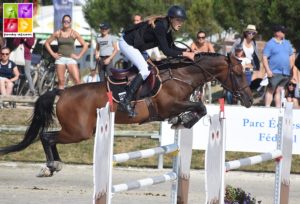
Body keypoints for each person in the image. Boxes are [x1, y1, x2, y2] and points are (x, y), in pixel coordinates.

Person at [119, 5, 195, 117]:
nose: (181, 23)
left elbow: (172, 47)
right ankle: (125, 101)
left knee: (152, 68)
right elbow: (167, 52)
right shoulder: (160, 27)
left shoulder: (167, 27)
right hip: (127, 44)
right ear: (171, 18)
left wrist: (188, 50)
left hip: (136, 45)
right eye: (178, 20)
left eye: (182, 20)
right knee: (144, 70)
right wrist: (186, 54)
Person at [45, 14, 88, 90]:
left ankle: (79, 99)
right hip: (60, 59)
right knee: (61, 81)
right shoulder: (58, 33)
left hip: (71, 59)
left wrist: (78, 56)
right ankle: (61, 99)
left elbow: (85, 45)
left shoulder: (74, 33)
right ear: (62, 22)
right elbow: (47, 43)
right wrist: (53, 54)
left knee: (77, 80)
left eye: (68, 21)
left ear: (70, 22)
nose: (66, 22)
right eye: (64, 21)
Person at [263, 25, 293, 107]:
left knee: (279, 90)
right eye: (283, 31)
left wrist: (290, 67)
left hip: (285, 72)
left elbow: (291, 55)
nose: (284, 33)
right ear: (277, 33)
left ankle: (278, 109)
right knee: (270, 90)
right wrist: (268, 70)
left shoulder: (287, 43)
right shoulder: (270, 43)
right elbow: (264, 57)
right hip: (274, 71)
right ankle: (267, 108)